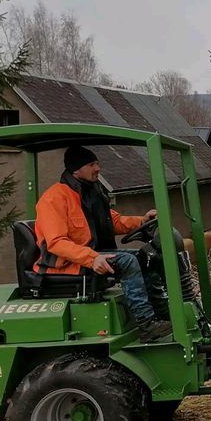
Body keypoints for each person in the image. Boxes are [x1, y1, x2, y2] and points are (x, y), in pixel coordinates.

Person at [34, 145, 171, 342]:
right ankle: (146, 324)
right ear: (76, 169)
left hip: (92, 255)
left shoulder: (92, 192)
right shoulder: (54, 198)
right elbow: (56, 243)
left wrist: (142, 220)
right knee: (128, 262)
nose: (98, 168)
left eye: (97, 163)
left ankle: (162, 314)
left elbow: (112, 222)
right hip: (65, 265)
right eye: (92, 164)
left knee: (146, 256)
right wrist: (92, 258)